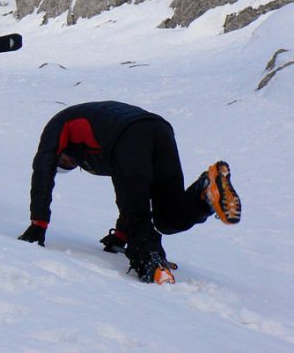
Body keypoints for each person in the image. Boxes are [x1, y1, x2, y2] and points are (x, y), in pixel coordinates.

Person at [17, 101, 242, 283]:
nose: (67, 162)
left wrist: (39, 223)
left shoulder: (58, 127)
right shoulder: (94, 150)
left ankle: (152, 263)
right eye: (67, 166)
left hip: (130, 131)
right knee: (168, 217)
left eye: (63, 161)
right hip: (159, 130)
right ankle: (206, 192)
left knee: (138, 215)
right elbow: (134, 189)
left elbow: (42, 171)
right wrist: (121, 235)